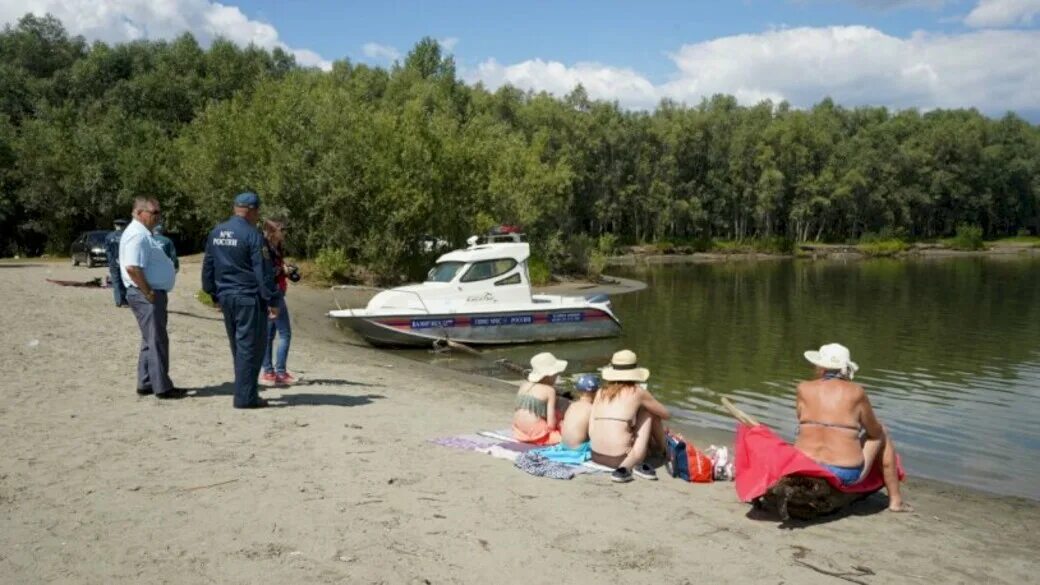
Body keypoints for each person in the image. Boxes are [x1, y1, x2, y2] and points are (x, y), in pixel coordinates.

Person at [795, 343, 910, 512]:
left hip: (803, 465)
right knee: (882, 432)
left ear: (821, 366)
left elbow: (801, 418)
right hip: (842, 473)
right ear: (845, 369)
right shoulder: (856, 391)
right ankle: (895, 500)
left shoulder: (803, 388)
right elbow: (874, 431)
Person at [202, 192, 281, 409]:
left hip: (226, 297)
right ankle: (245, 397)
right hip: (248, 297)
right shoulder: (252, 235)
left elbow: (208, 264)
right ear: (253, 210)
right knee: (251, 347)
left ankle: (245, 391)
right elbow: (263, 272)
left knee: (237, 346)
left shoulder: (216, 232)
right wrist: (273, 300)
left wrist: (212, 293)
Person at [120, 197, 182, 399]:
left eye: (158, 212)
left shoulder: (142, 234)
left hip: (147, 292)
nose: (158, 216)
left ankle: (146, 382)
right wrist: (148, 292)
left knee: (150, 340)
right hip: (145, 294)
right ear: (139, 213)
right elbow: (132, 268)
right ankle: (162, 387)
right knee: (157, 340)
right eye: (154, 213)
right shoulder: (137, 235)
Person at [589, 349, 670, 483]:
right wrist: (644, 405)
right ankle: (663, 450)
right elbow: (666, 414)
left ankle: (651, 450)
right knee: (649, 412)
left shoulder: (600, 392)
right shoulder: (638, 392)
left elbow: (592, 428)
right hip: (621, 460)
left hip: (595, 455)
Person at [259, 219, 294, 386]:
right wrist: (282, 270)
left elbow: (277, 267)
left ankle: (269, 372)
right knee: (285, 333)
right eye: (282, 230)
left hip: (277, 290)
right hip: (273, 293)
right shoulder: (265, 247)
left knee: (269, 334)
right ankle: (279, 372)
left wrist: (287, 271)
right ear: (274, 232)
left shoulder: (277, 247)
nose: (285, 233)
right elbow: (266, 271)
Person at [512, 352, 569, 445]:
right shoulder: (549, 390)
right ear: (548, 375)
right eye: (555, 374)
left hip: (518, 431)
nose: (556, 377)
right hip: (536, 432)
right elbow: (551, 424)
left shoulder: (524, 385)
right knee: (564, 435)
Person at [560, 374, 599, 449]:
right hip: (579, 449)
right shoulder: (591, 408)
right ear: (596, 393)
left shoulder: (572, 405)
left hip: (564, 446)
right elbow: (592, 433)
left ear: (578, 391)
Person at [105, 219, 128, 307]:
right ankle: (124, 300)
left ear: (115, 225)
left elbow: (108, 251)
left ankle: (118, 301)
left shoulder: (109, 236)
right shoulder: (127, 236)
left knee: (116, 281)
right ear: (124, 226)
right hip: (125, 262)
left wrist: (112, 261)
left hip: (113, 262)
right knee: (125, 281)